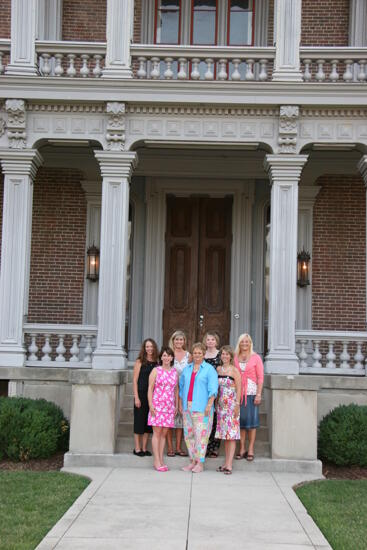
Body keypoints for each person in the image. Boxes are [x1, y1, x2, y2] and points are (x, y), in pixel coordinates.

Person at [179, 342, 218, 473]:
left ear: (203, 354)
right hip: (187, 406)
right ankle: (192, 461)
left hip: (202, 408)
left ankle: (200, 464)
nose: (197, 355)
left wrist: (209, 405)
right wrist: (180, 405)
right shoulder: (187, 369)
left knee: (201, 436)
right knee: (188, 435)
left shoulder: (209, 369)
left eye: (199, 353)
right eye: (195, 353)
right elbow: (181, 388)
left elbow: (213, 389)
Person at [147, 347, 178, 472]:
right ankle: (156, 461)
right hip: (157, 406)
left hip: (169, 406)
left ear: (172, 358)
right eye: (164, 355)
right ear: (161, 357)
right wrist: (150, 405)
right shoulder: (156, 370)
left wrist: (176, 405)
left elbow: (176, 389)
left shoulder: (175, 372)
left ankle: (161, 459)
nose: (166, 358)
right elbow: (150, 388)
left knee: (164, 434)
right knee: (157, 433)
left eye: (169, 356)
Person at [234, 333, 264, 462]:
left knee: (251, 423)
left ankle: (250, 448)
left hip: (251, 393)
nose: (244, 344)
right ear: (239, 343)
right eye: (242, 341)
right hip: (237, 393)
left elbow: (260, 378)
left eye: (247, 341)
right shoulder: (235, 357)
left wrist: (258, 394)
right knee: (240, 422)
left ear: (250, 343)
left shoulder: (256, 357)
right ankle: (242, 448)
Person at [215, 346, 241, 474]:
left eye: (227, 354)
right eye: (223, 354)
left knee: (231, 436)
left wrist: (237, 405)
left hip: (231, 406)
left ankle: (229, 465)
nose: (224, 356)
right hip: (221, 407)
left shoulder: (235, 370)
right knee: (225, 436)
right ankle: (225, 463)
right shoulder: (218, 369)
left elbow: (239, 388)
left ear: (231, 356)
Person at [133, 338, 159, 457]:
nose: (149, 349)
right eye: (147, 347)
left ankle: (144, 448)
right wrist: (136, 397)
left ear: (154, 348)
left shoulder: (157, 362)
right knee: (139, 421)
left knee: (148, 423)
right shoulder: (140, 361)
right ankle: (137, 448)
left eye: (151, 346)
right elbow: (134, 381)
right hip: (141, 394)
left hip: (153, 396)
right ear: (144, 348)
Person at [166, 330, 191, 457]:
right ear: (173, 340)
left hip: (184, 390)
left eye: (181, 339)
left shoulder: (188, 355)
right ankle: (170, 448)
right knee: (170, 419)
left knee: (181, 419)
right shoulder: (168, 354)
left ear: (184, 341)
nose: (179, 342)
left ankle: (178, 447)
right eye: (177, 339)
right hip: (170, 390)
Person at [203, 331, 221, 458]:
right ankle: (204, 446)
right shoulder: (201, 354)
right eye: (208, 339)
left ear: (216, 341)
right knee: (205, 418)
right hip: (203, 390)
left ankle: (214, 448)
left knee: (215, 419)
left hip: (217, 389)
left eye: (212, 339)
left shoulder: (220, 354)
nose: (210, 341)